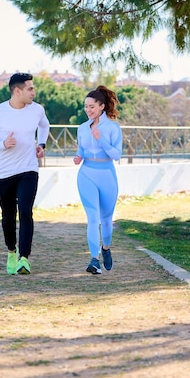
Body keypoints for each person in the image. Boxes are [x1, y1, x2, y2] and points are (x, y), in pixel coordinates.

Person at [0, 73, 50, 275]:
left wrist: (41, 144)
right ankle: (12, 251)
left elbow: (44, 125)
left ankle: (24, 259)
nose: (33, 92)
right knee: (8, 216)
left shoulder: (37, 110)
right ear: (17, 91)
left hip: (28, 169)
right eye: (30, 89)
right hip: (5, 173)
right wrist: (2, 144)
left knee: (26, 211)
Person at [73, 85, 123, 274]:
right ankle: (94, 260)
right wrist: (78, 157)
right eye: (86, 106)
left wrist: (101, 139)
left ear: (101, 106)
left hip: (107, 175)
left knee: (107, 221)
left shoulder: (112, 128)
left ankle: (106, 249)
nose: (88, 110)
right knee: (92, 218)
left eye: (91, 106)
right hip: (86, 174)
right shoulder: (82, 128)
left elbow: (116, 155)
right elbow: (81, 150)